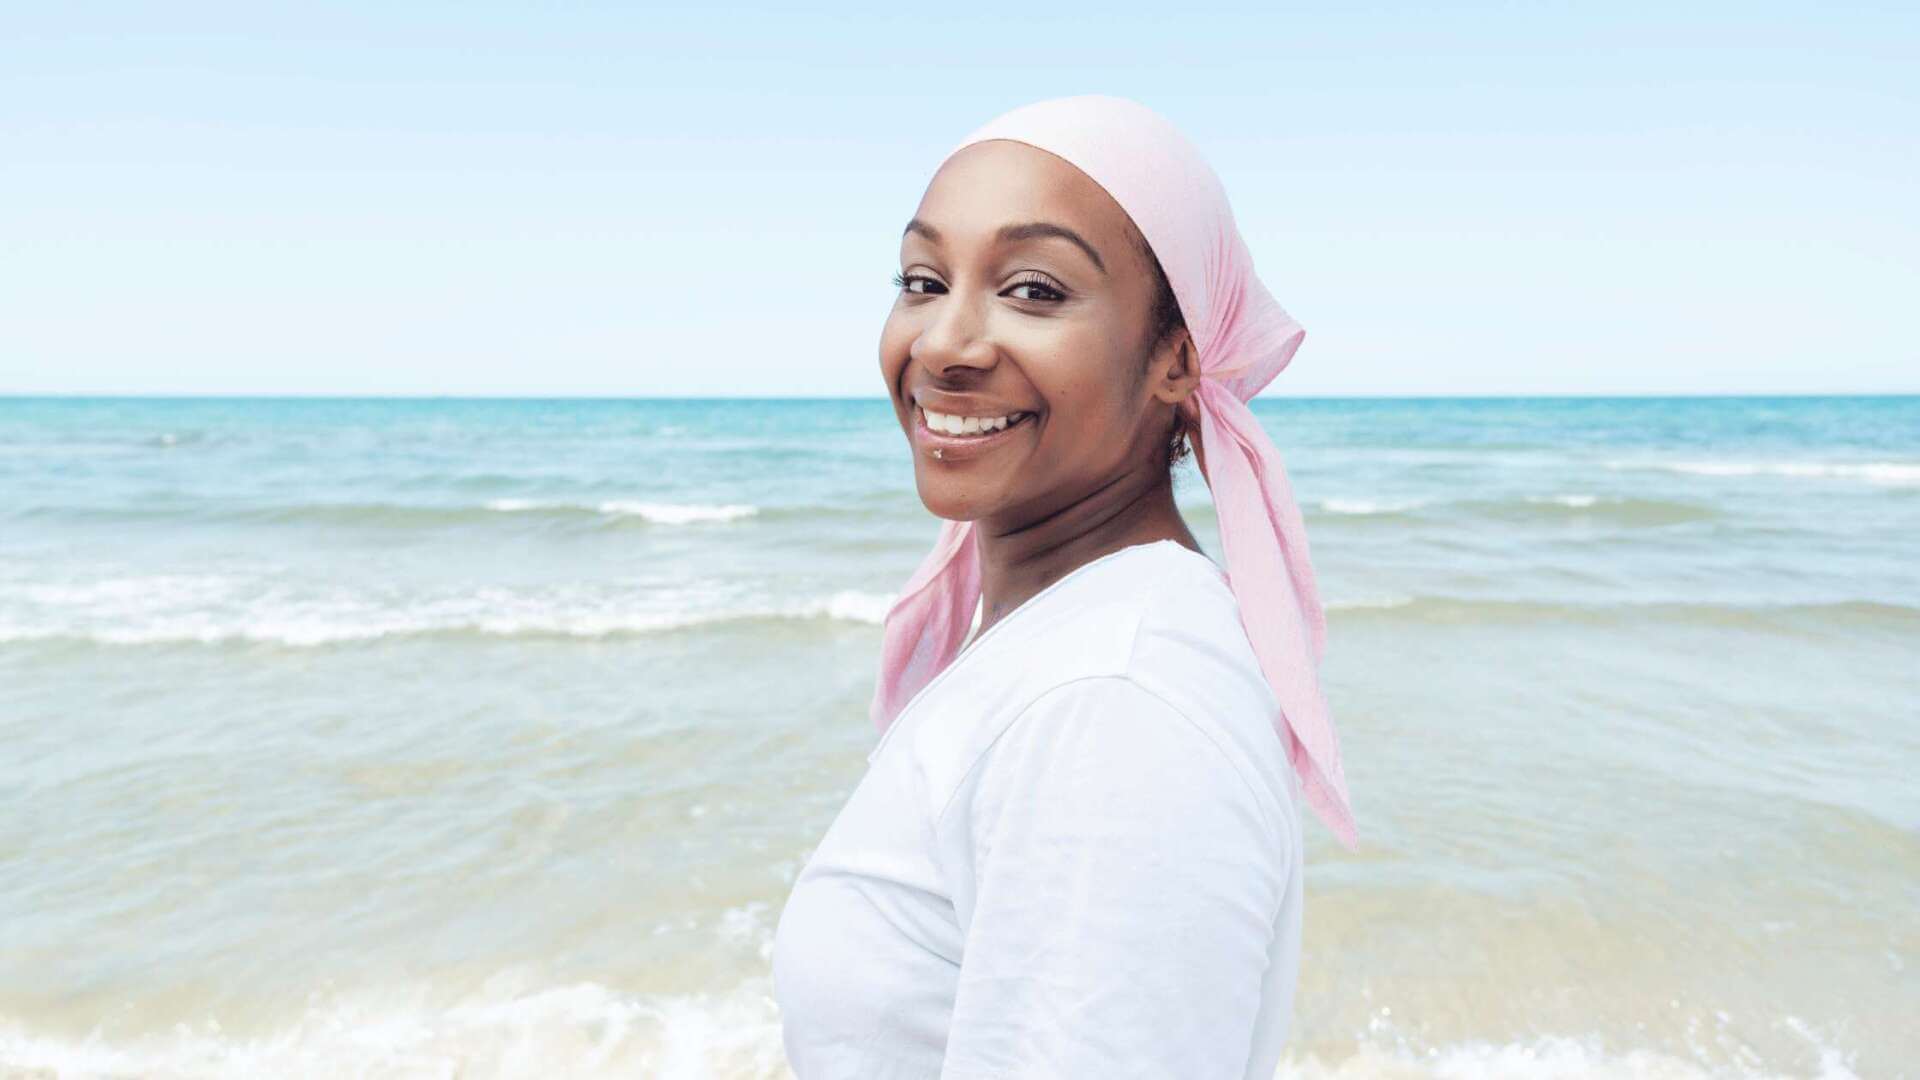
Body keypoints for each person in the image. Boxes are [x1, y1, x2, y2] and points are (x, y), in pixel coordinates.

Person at [771, 94, 1359, 1079]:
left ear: (1176, 359)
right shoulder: (1071, 644)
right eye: (922, 280)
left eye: (1034, 291)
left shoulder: (1113, 701)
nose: (945, 345)